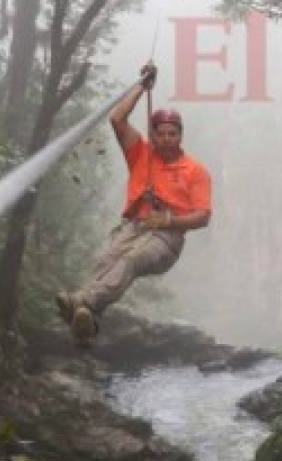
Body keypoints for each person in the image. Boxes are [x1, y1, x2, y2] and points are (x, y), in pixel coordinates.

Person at [56, 63, 212, 344]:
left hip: (167, 238)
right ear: (153, 135)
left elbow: (203, 216)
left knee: (131, 259)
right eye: (161, 134)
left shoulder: (195, 171)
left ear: (180, 135)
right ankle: (86, 321)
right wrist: (142, 84)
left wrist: (169, 220)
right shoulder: (141, 154)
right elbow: (117, 119)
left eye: (172, 134)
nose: (167, 139)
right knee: (104, 259)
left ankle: (85, 303)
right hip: (134, 227)